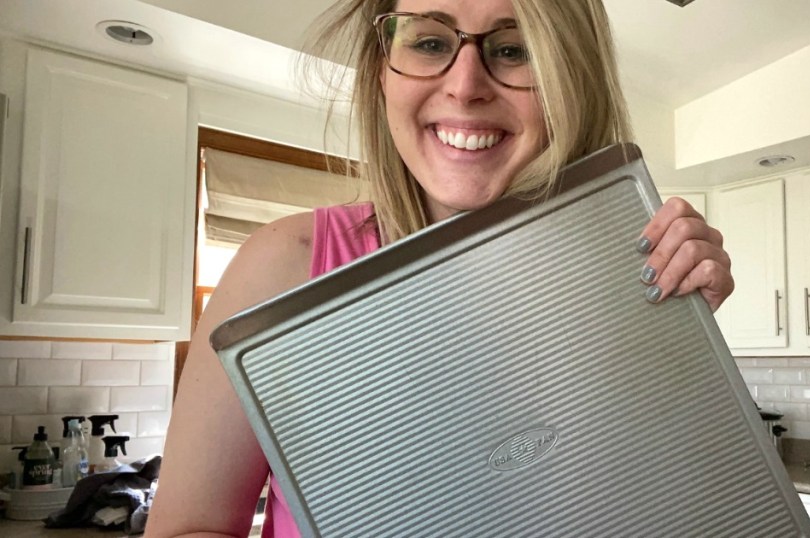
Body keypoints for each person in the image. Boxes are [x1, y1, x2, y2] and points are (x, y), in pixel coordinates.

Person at [146, 0, 734, 536]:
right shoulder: (283, 266)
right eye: (429, 43)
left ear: (570, 79)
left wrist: (681, 352)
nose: (465, 85)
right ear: (381, 71)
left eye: (513, 49)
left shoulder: (631, 270)